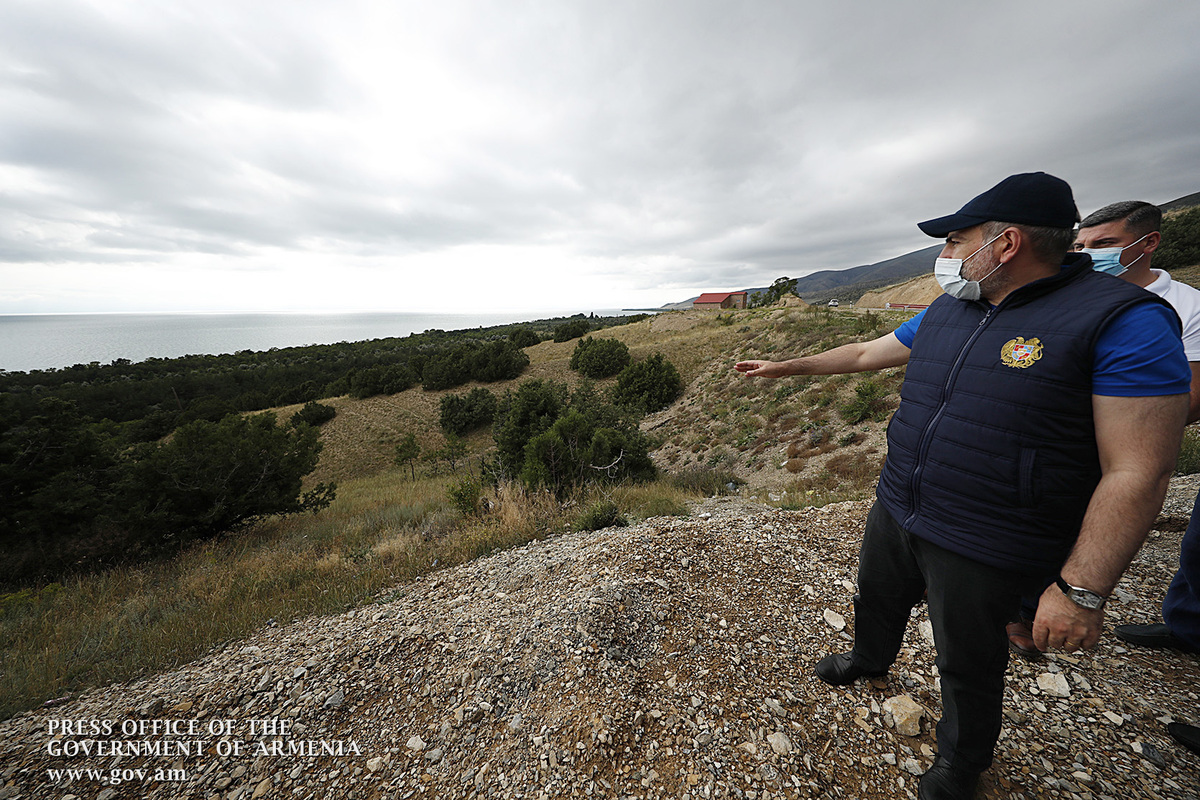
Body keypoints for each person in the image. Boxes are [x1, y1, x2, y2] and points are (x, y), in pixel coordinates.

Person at [735, 172, 1190, 800]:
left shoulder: (1123, 321)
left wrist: (1081, 591)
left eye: (954, 241)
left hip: (988, 533)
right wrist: (788, 365)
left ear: (1006, 244)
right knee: (878, 596)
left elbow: (1138, 469)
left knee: (968, 657)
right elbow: (868, 353)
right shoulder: (952, 307)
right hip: (901, 502)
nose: (945, 256)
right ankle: (868, 659)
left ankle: (962, 761)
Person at [1004, 201, 1200, 659]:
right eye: (1081, 245)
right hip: (1045, 439)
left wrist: (1108, 417)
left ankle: (1043, 608)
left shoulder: (1186, 307)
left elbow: (1190, 397)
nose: (1088, 254)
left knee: (1080, 528)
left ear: (1148, 242)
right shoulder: (1059, 295)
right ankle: (1010, 604)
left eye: (1105, 244)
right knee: (1023, 520)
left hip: (1114, 442)